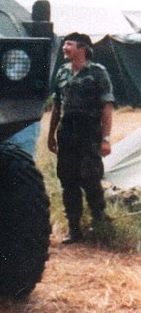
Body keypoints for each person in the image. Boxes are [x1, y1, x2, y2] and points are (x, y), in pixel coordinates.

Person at [47, 32, 115, 243]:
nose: (64, 48)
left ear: (82, 48)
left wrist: (105, 138)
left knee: (91, 178)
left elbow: (107, 106)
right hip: (67, 133)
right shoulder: (62, 72)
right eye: (64, 44)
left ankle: (99, 224)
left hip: (89, 133)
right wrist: (51, 135)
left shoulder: (98, 72)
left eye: (69, 44)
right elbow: (57, 107)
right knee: (68, 180)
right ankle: (74, 229)